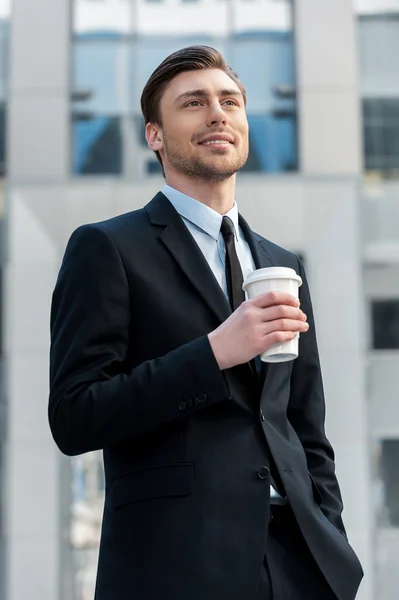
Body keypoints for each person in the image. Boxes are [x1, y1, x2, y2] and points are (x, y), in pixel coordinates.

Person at [49, 46, 363, 600]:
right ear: (155, 135)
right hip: (174, 565)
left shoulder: (282, 265)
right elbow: (75, 415)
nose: (217, 113)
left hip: (297, 565)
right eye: (193, 103)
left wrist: (329, 535)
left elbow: (305, 425)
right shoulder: (108, 248)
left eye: (230, 101)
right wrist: (213, 353)